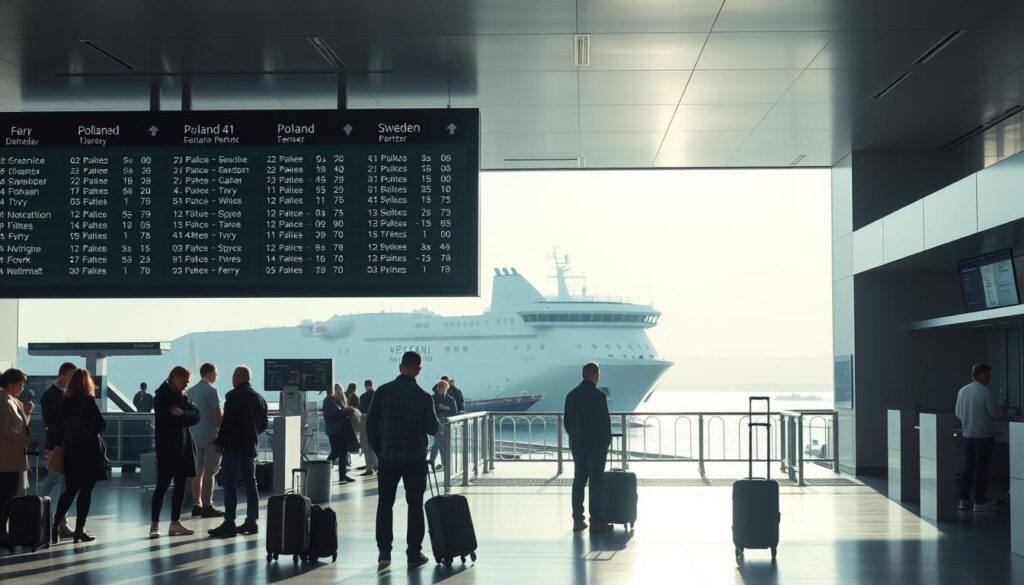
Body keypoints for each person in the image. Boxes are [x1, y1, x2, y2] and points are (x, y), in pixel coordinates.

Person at [365, 351, 439, 570]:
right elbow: (433, 428)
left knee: (385, 505)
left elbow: (370, 424)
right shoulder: (424, 396)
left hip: (388, 457)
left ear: (400, 367)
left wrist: (380, 451)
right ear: (418, 370)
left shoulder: (383, 392)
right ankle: (414, 553)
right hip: (415, 458)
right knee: (415, 505)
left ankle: (384, 553)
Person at [208, 365, 269, 538]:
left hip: (233, 448)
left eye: (233, 376)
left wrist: (220, 441)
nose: (231, 379)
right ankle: (252, 521)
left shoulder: (233, 396)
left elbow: (227, 422)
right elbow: (264, 424)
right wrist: (252, 434)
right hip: (250, 448)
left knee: (230, 485)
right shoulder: (260, 398)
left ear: (237, 377)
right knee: (251, 484)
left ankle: (229, 522)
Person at [53, 369, 107, 544]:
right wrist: (88, 432)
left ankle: (55, 526)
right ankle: (79, 530)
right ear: (87, 383)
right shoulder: (88, 400)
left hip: (71, 451)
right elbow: (101, 424)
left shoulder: (64, 401)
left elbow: (58, 428)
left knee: (70, 490)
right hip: (89, 451)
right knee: (86, 491)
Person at [150, 366, 201, 539]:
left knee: (180, 484)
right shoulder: (162, 396)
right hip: (168, 447)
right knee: (163, 485)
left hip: (182, 446)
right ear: (175, 378)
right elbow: (176, 417)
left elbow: (196, 415)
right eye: (185, 380)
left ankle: (175, 522)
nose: (187, 384)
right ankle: (155, 524)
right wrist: (184, 415)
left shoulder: (181, 395)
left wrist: (182, 414)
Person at [564, 362, 612, 533]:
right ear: (595, 375)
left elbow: (567, 423)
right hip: (596, 447)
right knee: (596, 482)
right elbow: (604, 423)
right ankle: (596, 520)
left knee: (579, 481)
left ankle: (578, 520)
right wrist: (606, 441)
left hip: (577, 445)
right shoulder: (598, 396)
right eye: (598, 374)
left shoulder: (571, 395)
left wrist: (575, 438)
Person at [955, 363, 1008, 512]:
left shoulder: (962, 391)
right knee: (981, 469)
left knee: (969, 467)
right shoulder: (985, 392)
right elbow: (995, 414)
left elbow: (958, 413)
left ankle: (963, 499)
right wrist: (1002, 408)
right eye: (987, 375)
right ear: (979, 374)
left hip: (968, 435)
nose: (989, 378)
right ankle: (979, 501)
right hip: (984, 436)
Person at [38, 362, 77, 540]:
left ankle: (59, 520)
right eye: (71, 376)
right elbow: (50, 421)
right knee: (55, 478)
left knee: (66, 483)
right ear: (62, 375)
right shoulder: (50, 396)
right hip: (56, 444)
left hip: (68, 444)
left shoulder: (69, 394)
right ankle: (37, 510)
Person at [0, 368, 37, 545]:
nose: (22, 388)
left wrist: (27, 413)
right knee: (6, 496)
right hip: (6, 458)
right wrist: (27, 440)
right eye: (19, 385)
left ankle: (3, 531)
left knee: (10, 496)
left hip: (13, 456)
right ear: (9, 383)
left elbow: (18, 425)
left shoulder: (12, 400)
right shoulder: (3, 400)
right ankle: (1, 532)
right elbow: (6, 429)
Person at [187, 363, 224, 518]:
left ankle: (197, 504)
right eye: (215, 373)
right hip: (211, 437)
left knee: (198, 472)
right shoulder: (212, 391)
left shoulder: (191, 391)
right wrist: (223, 430)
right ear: (210, 374)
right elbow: (217, 415)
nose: (216, 376)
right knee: (210, 472)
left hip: (194, 436)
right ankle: (208, 505)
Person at [323, 383, 358, 484]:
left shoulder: (332, 401)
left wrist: (346, 411)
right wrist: (347, 411)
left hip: (337, 430)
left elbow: (337, 414)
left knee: (341, 452)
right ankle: (323, 469)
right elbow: (335, 414)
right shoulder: (330, 402)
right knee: (337, 452)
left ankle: (342, 475)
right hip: (335, 431)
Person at [429, 380, 457, 470]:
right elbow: (430, 411)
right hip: (437, 424)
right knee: (439, 444)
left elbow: (454, 412)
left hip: (445, 425)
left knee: (439, 444)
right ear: (437, 389)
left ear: (446, 389)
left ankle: (433, 462)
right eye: (439, 388)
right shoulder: (433, 398)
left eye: (443, 388)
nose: (441, 390)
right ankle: (441, 463)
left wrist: (446, 408)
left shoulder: (451, 400)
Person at [358, 379, 378, 475]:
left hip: (365, 420)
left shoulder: (363, 396)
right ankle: (377, 465)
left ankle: (369, 467)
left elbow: (360, 410)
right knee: (374, 445)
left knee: (366, 445)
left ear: (365, 385)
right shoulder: (377, 395)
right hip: (377, 422)